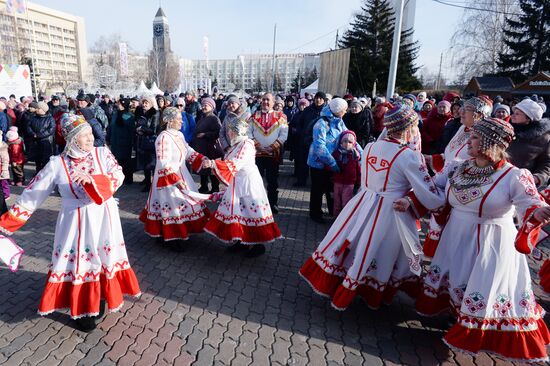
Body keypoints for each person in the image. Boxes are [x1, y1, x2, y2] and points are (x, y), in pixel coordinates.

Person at [414, 117, 550, 363]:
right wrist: (410, 197)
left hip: (491, 243)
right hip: (455, 235)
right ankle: (454, 315)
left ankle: (480, 333)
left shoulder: (515, 176)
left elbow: (530, 202)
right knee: (457, 279)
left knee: (482, 288)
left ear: (492, 142)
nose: (469, 141)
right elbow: (432, 188)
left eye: (476, 138)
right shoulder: (458, 167)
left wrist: (538, 212)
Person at [0, 113, 141, 332]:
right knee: (80, 263)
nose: (90, 139)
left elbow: (118, 175)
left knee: (103, 258)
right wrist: (7, 223)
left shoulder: (102, 153)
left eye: (90, 134)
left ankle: (100, 298)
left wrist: (93, 181)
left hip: (104, 218)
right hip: (75, 223)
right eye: (84, 136)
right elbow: (33, 193)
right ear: (72, 139)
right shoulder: (57, 163)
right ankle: (83, 309)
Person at [299, 104, 445, 310]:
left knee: (356, 241)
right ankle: (372, 291)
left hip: (363, 202)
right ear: (408, 128)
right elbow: (429, 193)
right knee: (382, 249)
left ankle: (347, 280)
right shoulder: (409, 155)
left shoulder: (370, 147)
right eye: (414, 126)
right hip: (391, 210)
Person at [203, 116, 281, 258]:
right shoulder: (238, 144)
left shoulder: (247, 144)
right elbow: (229, 161)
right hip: (238, 182)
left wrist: (213, 164)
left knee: (252, 213)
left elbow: (235, 164)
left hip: (248, 184)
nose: (229, 134)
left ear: (237, 131)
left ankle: (258, 245)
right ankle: (240, 240)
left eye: (231, 131)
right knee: (240, 213)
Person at [139, 107, 210, 249]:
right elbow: (163, 161)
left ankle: (172, 234)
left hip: (181, 172)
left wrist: (201, 158)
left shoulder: (179, 135)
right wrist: (175, 178)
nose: (181, 122)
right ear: (169, 121)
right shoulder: (163, 137)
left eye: (181, 119)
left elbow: (187, 150)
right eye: (178, 119)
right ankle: (172, 238)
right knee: (171, 206)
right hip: (168, 178)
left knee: (182, 204)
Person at [307, 98, 348, 223]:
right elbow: (319, 147)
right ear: (338, 110)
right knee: (317, 189)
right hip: (318, 163)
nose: (346, 111)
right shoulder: (321, 124)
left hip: (332, 163)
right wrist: (332, 162)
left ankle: (332, 211)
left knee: (330, 188)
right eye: (344, 109)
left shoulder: (339, 121)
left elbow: (348, 135)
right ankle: (315, 214)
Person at [247, 93, 288, 213]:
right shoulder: (253, 116)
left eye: (268, 100)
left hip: (273, 154)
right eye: (263, 99)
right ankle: (256, 204)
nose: (265, 102)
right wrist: (257, 146)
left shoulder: (281, 117)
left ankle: (273, 203)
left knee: (273, 181)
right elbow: (248, 132)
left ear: (273, 102)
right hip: (257, 154)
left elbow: (284, 134)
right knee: (255, 180)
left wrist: (272, 147)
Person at [507, 98, 550, 187]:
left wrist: (537, 178)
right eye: (514, 112)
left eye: (517, 114)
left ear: (528, 118)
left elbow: (547, 162)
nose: (512, 116)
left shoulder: (543, 138)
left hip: (522, 184)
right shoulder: (505, 130)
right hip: (498, 178)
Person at [191, 97, 222, 193]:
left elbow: (218, 132)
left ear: (212, 107)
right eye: (203, 105)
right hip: (202, 148)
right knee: (203, 168)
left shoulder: (213, 118)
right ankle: (204, 186)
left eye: (206, 105)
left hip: (210, 148)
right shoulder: (202, 117)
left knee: (211, 169)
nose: (204, 107)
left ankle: (215, 188)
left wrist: (205, 134)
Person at [331, 130, 361, 216]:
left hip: (349, 183)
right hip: (337, 181)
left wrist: (358, 181)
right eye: (345, 141)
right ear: (341, 142)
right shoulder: (336, 153)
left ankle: (344, 219)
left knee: (346, 202)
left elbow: (358, 169)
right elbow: (330, 165)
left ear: (353, 143)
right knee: (337, 202)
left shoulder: (355, 155)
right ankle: (336, 219)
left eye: (350, 142)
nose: (347, 144)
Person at [107, 99, 135, 185]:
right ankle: (119, 178)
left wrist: (132, 141)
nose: (117, 105)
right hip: (115, 141)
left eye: (119, 103)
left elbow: (131, 130)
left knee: (126, 161)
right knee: (117, 160)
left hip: (125, 142)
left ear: (124, 104)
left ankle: (128, 178)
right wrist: (108, 138)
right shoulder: (115, 115)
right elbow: (111, 127)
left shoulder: (128, 116)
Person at [136, 96, 159, 192]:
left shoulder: (155, 113)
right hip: (142, 141)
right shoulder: (142, 113)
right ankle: (147, 183)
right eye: (144, 103)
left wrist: (142, 129)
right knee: (145, 163)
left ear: (151, 104)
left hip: (151, 141)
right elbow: (138, 125)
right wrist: (138, 129)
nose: (144, 105)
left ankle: (154, 183)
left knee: (151, 164)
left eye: (147, 103)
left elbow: (153, 129)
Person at [27, 102, 55, 174]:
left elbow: (51, 130)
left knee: (46, 160)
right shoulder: (33, 117)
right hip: (35, 142)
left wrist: (39, 135)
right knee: (37, 160)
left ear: (43, 109)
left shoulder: (50, 118)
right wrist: (33, 134)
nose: (36, 109)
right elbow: (28, 127)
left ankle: (45, 174)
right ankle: (38, 174)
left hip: (46, 142)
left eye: (38, 108)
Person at [0, 133, 9, 199]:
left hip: (2, 169)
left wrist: (4, 169)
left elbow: (5, 160)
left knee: (4, 183)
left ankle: (6, 194)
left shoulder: (2, 149)